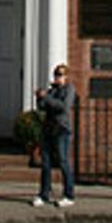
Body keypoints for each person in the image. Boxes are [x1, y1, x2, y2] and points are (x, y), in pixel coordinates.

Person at [33, 63, 76, 207]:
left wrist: (47, 98)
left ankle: (69, 194)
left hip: (62, 129)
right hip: (49, 129)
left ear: (66, 77)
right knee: (46, 164)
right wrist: (40, 97)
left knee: (63, 162)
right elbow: (42, 107)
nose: (58, 78)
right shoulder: (52, 90)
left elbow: (63, 107)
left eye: (61, 75)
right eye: (56, 75)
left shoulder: (69, 89)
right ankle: (44, 194)